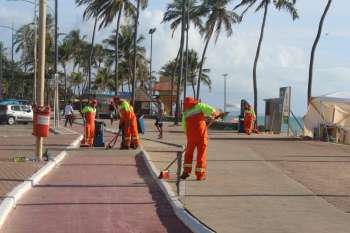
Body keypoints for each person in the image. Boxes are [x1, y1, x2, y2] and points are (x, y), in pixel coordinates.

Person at [181, 97, 220, 181]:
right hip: (201, 135)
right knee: (201, 155)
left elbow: (184, 127)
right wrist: (216, 114)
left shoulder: (185, 112)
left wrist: (188, 134)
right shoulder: (199, 106)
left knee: (188, 154)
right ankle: (200, 175)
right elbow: (212, 110)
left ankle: (186, 172)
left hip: (190, 136)